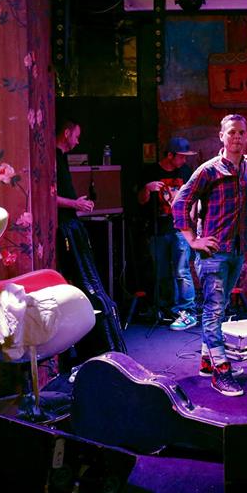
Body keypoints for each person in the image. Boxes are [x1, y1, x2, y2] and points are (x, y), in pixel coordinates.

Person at [171, 114, 247, 397]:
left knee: (219, 309)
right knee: (213, 311)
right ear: (221, 136)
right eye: (232, 132)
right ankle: (221, 371)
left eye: (241, 132)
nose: (237, 137)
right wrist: (192, 240)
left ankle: (207, 362)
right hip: (214, 254)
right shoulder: (209, 170)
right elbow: (180, 203)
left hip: (237, 251)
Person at [55, 118, 127, 360]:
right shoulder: (53, 157)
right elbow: (48, 195)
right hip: (67, 226)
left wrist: (75, 203)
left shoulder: (60, 157)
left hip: (70, 224)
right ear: (66, 133)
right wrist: (75, 204)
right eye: (76, 136)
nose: (78, 141)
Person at [138, 136, 199, 331]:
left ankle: (187, 311)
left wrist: (191, 219)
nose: (184, 160)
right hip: (158, 229)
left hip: (180, 229)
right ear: (170, 155)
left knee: (182, 271)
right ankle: (167, 310)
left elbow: (193, 198)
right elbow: (140, 201)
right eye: (181, 156)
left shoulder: (186, 172)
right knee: (162, 272)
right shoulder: (151, 171)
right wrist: (147, 188)